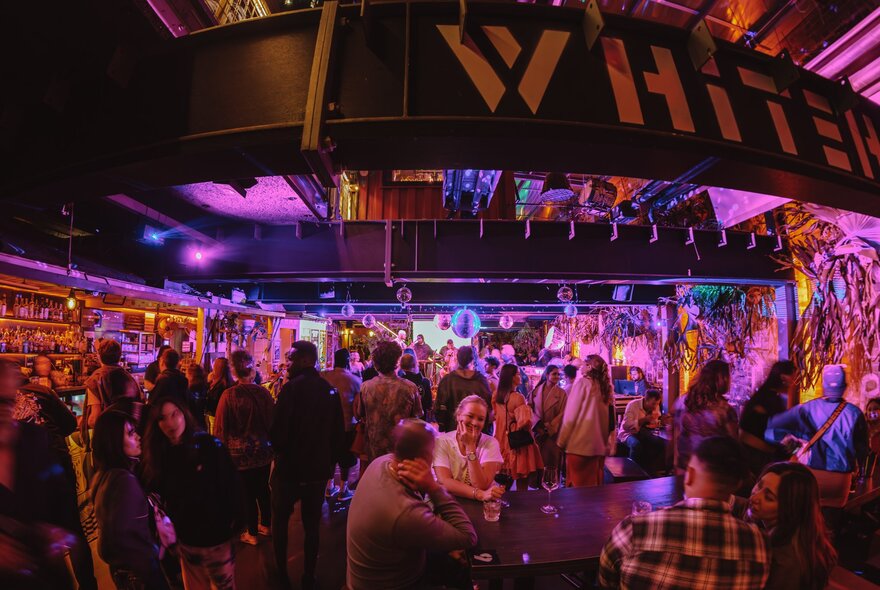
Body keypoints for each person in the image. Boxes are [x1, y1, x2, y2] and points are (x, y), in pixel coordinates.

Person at [598, 436, 770, 590]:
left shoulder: (635, 529)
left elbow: (606, 580)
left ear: (690, 475)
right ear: (738, 485)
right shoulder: (759, 544)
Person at [346, 419, 478, 590]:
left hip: (367, 576)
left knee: (450, 556)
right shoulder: (404, 512)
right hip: (393, 584)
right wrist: (433, 487)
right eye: (432, 452)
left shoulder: (379, 463)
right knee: (461, 564)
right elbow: (467, 537)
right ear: (424, 459)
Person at [142, 397, 243, 590]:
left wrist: (233, 522)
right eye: (163, 418)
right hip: (186, 543)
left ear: (184, 414)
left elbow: (231, 485)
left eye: (175, 414)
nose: (170, 423)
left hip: (216, 540)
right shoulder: (159, 456)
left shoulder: (209, 446)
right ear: (156, 424)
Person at [15, 357, 98, 590]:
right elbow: (70, 424)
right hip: (56, 464)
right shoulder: (41, 390)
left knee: (35, 537)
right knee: (72, 531)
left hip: (25, 476)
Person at [0, 359, 81, 590]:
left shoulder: (34, 438)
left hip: (44, 572)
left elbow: (60, 494)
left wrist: (58, 530)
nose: (4, 410)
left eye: (8, 401)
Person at [272, 341, 346, 590]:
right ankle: (309, 575)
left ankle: (281, 573)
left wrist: (279, 452)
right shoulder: (329, 391)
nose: (287, 364)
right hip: (316, 470)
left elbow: (278, 431)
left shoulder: (290, 390)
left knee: (280, 521)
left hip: (289, 469)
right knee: (312, 525)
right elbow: (337, 433)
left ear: (305, 360)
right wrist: (329, 462)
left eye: (291, 359)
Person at [765, 363, 868, 510]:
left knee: (808, 515)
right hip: (840, 480)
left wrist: (795, 448)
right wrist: (861, 474)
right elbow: (863, 451)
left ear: (823, 385)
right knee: (833, 518)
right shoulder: (854, 413)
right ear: (845, 386)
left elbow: (771, 429)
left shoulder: (807, 408)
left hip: (810, 475)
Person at [91, 410, 169, 590]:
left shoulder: (104, 475)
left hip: (126, 572)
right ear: (114, 441)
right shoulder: (124, 481)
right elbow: (130, 540)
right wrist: (155, 557)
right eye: (131, 433)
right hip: (140, 574)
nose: (138, 437)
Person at [214, 350, 275, 546]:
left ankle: (251, 532)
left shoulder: (229, 396)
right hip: (263, 451)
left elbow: (221, 428)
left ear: (234, 371)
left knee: (247, 493)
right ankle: (266, 524)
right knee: (263, 488)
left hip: (239, 454)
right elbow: (272, 422)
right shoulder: (264, 393)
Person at [748, 463, 837, 590]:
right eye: (759, 485)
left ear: (790, 508)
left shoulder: (785, 562)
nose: (754, 497)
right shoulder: (793, 531)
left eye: (768, 497)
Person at [356, 341, 423, 465]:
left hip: (374, 450)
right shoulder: (410, 387)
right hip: (401, 450)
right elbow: (417, 415)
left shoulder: (365, 387)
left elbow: (360, 414)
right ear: (397, 362)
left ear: (375, 363)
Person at [433, 395, 504, 501]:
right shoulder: (442, 441)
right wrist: (479, 494)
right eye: (470, 416)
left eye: (480, 419)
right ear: (458, 416)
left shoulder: (491, 443)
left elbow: (481, 485)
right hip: (450, 501)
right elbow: (444, 481)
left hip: (480, 504)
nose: (475, 423)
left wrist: (470, 447)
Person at [673, 359, 738, 474]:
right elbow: (733, 445)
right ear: (722, 379)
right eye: (729, 377)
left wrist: (675, 461)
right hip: (711, 470)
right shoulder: (725, 410)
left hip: (685, 467)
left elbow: (677, 434)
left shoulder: (684, 401)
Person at [558, 355, 614, 487]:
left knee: (576, 489)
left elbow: (570, 416)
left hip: (579, 446)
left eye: (583, 364)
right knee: (592, 489)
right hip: (597, 447)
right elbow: (611, 421)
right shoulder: (605, 388)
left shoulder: (582, 384)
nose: (580, 368)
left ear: (589, 367)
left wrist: (561, 441)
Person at [739, 361, 796, 482]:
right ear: (783, 378)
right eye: (793, 378)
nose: (793, 383)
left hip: (753, 456)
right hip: (759, 459)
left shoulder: (764, 395)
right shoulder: (770, 399)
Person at [320, 347, 361, 500]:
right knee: (346, 458)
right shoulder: (355, 380)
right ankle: (344, 489)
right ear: (347, 361)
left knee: (330, 456)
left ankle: (329, 486)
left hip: (328, 424)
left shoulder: (324, 376)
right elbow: (358, 405)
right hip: (347, 424)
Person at [493, 364, 543, 491]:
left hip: (501, 440)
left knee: (504, 480)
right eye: (518, 374)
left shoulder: (496, 395)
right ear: (511, 377)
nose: (520, 377)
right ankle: (521, 502)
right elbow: (525, 423)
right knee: (522, 479)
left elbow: (495, 416)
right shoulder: (518, 397)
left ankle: (503, 500)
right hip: (517, 442)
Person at [82, 338, 143, 429]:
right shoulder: (132, 378)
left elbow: (95, 419)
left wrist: (82, 421)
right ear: (119, 356)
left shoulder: (95, 379)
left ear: (99, 356)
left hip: (108, 434)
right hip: (129, 432)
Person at [435, 346, 492, 434]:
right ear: (473, 359)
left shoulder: (447, 380)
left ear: (457, 358)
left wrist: (442, 425)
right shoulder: (481, 381)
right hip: (476, 431)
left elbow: (439, 407)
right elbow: (488, 407)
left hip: (453, 430)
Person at [617, 389, 666, 473]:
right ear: (646, 400)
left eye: (657, 403)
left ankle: (651, 471)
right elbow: (626, 426)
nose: (655, 406)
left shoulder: (655, 407)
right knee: (636, 445)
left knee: (661, 443)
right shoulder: (633, 405)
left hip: (644, 432)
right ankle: (631, 473)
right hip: (628, 433)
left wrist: (660, 422)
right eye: (653, 404)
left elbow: (655, 422)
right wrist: (644, 420)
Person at [530, 364, 568, 470]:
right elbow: (529, 409)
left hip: (553, 434)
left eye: (558, 374)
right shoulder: (535, 392)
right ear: (547, 375)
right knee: (538, 462)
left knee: (551, 463)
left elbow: (563, 412)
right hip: (538, 432)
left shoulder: (562, 394)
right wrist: (538, 424)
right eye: (554, 374)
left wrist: (549, 427)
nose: (557, 376)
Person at [400, 353, 433, 423]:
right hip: (421, 421)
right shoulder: (425, 382)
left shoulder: (398, 382)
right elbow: (429, 405)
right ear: (415, 365)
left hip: (402, 422)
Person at [205, 357, 233, 431]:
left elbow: (211, 403)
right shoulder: (231, 384)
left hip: (215, 417)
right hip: (226, 418)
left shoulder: (218, 387)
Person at [185, 363, 208, 430]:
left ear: (190, 375)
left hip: (191, 424)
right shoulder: (205, 387)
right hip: (202, 423)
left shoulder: (188, 390)